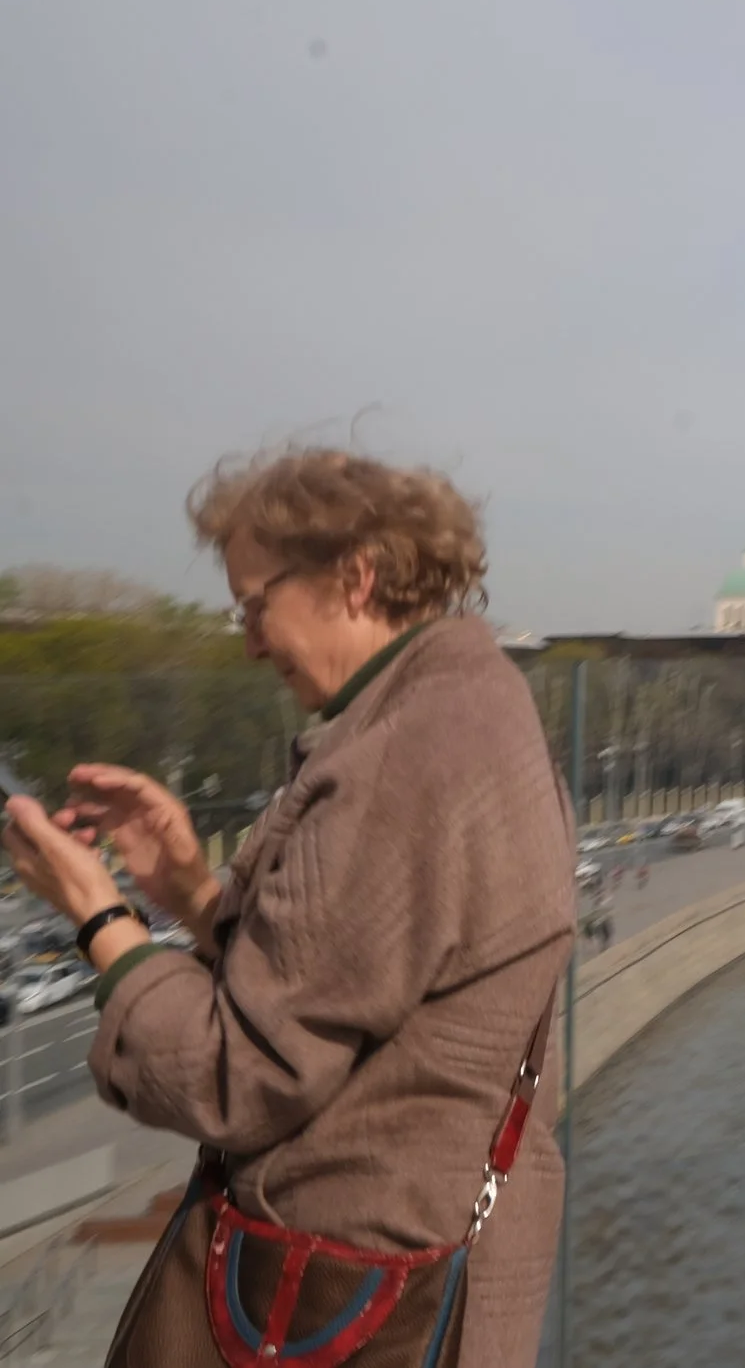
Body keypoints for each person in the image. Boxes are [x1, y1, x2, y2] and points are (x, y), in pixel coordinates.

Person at [1, 448, 574, 1366]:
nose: (249, 642)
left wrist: (98, 916)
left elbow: (236, 1075)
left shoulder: (405, 755)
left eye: (255, 604)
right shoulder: (472, 707)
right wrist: (190, 889)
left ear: (356, 576)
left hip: (333, 1299)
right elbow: (352, 978)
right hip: (425, 1261)